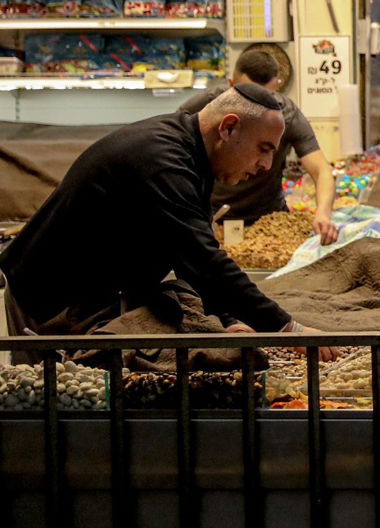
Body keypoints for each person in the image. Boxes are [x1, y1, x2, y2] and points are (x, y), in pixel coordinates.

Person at [0, 84, 322, 339]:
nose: (266, 165)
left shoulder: (190, 153)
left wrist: (227, 319)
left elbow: (190, 255)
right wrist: (287, 329)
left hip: (85, 303)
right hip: (43, 310)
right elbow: (204, 260)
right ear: (228, 128)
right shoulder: (162, 161)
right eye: (263, 149)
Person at [182, 50, 339, 245]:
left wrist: (323, 213)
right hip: (211, 219)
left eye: (267, 97)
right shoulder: (205, 107)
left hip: (268, 222)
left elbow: (321, 169)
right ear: (231, 85)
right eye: (247, 96)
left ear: (277, 88)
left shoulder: (287, 115)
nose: (258, 108)